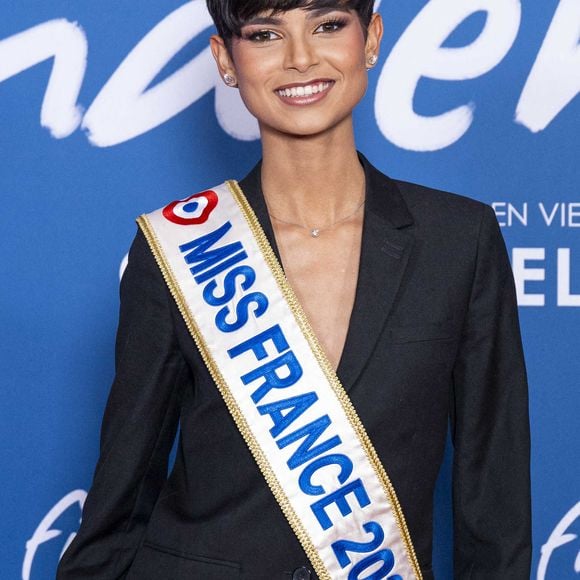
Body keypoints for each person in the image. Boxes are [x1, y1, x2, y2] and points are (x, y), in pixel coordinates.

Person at [56, 0, 532, 578]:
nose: (301, 58)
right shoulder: (177, 246)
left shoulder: (460, 240)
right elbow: (122, 494)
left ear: (372, 39)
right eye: (265, 35)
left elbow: (494, 494)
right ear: (225, 60)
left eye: (328, 26)